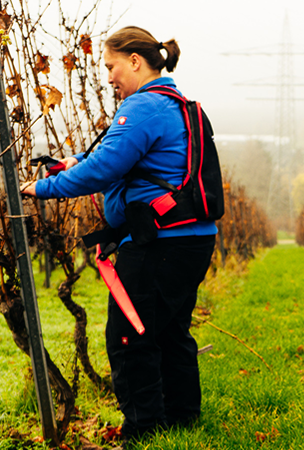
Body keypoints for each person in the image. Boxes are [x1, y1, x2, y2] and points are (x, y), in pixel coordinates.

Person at [22, 26, 216, 444]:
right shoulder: (177, 104)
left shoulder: (143, 107)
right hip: (191, 240)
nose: (108, 77)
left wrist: (43, 189)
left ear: (134, 60)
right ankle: (182, 419)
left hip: (158, 245)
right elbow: (113, 153)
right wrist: (73, 160)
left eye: (111, 66)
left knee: (129, 336)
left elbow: (104, 169)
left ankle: (143, 430)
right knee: (169, 331)